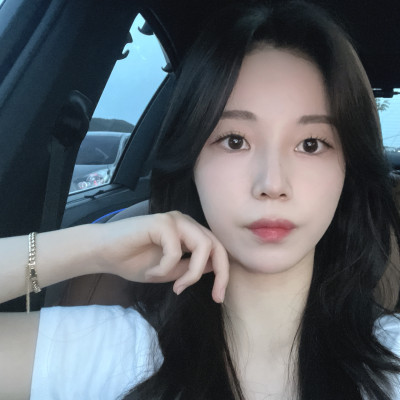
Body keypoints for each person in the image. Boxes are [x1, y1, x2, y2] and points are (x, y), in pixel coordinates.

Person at [1, 1, 400, 399]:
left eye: (311, 144)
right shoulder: (113, 352)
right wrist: (95, 247)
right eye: (235, 141)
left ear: (347, 169)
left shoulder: (392, 357)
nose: (272, 183)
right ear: (192, 160)